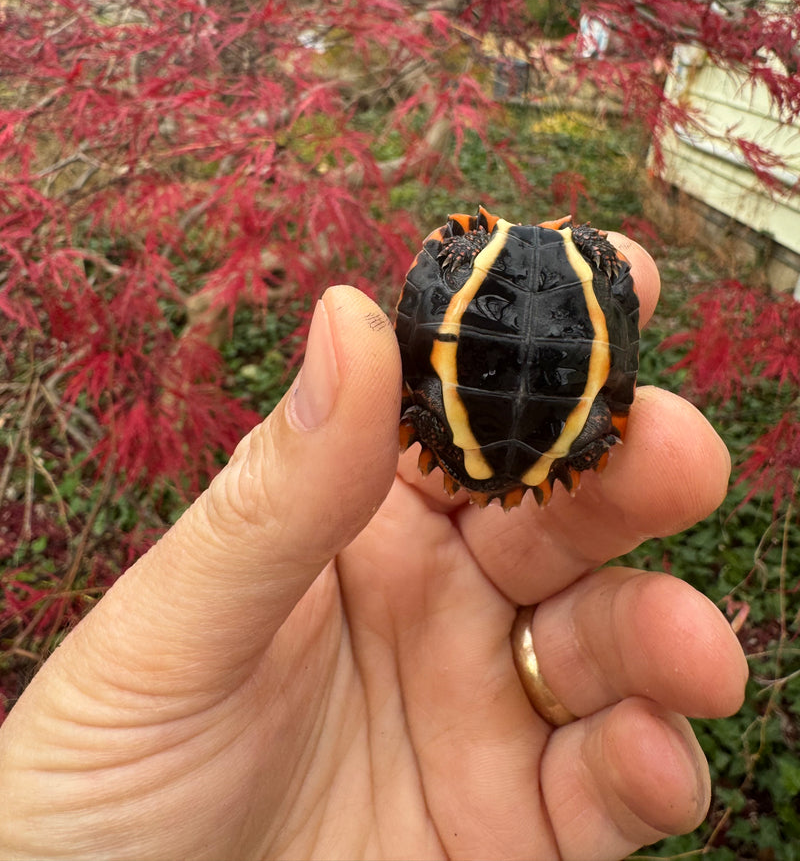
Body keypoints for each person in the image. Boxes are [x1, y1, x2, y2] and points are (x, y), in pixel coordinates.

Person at [0, 236, 747, 861]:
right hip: (557, 320)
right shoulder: (550, 415)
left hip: (505, 302)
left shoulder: (483, 401)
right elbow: (600, 408)